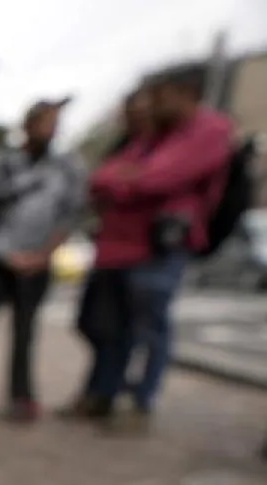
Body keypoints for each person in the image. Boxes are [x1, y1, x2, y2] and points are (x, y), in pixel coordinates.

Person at [86, 62, 234, 432]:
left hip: (161, 245)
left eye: (162, 96)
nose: (154, 104)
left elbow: (159, 178)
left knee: (151, 329)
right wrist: (126, 179)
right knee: (114, 327)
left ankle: (141, 404)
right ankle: (107, 394)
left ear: (187, 94)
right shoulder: (156, 134)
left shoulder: (209, 130)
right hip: (126, 245)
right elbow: (104, 176)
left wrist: (127, 181)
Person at [0, 98, 88, 421]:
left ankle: (21, 397)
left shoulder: (66, 169)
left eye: (54, 124)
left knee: (25, 332)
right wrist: (2, 252)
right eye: (44, 123)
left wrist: (43, 255)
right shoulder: (1, 164)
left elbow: (69, 216)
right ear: (27, 125)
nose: (49, 130)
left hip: (37, 262)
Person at [62, 88, 157, 419]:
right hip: (108, 250)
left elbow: (151, 182)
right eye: (130, 109)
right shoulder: (124, 146)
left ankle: (110, 395)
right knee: (93, 323)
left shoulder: (160, 148)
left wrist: (123, 181)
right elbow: (99, 180)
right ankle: (101, 388)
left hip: (141, 252)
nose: (135, 116)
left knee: (128, 331)